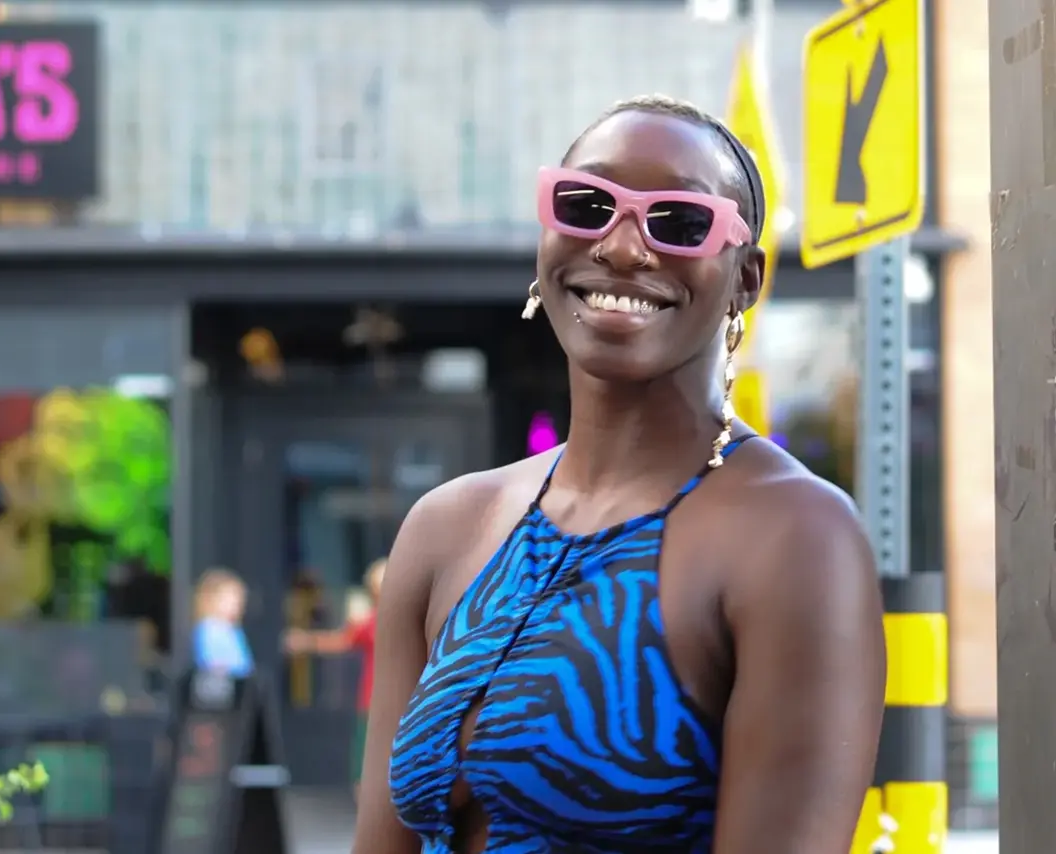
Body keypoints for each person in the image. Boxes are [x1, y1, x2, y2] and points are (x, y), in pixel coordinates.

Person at [359, 95, 886, 854]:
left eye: (679, 222)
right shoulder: (449, 526)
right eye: (587, 204)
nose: (624, 246)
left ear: (745, 279)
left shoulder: (795, 537)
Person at [283, 557, 386, 799]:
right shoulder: (372, 620)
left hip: (389, 704)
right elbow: (343, 640)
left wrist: (304, 641)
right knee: (367, 769)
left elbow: (342, 640)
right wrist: (306, 641)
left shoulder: (378, 618)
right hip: (374, 703)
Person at [192, 567, 253, 678]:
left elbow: (245, 665)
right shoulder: (208, 629)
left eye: (238, 602)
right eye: (228, 600)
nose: (234, 606)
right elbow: (209, 663)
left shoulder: (234, 630)